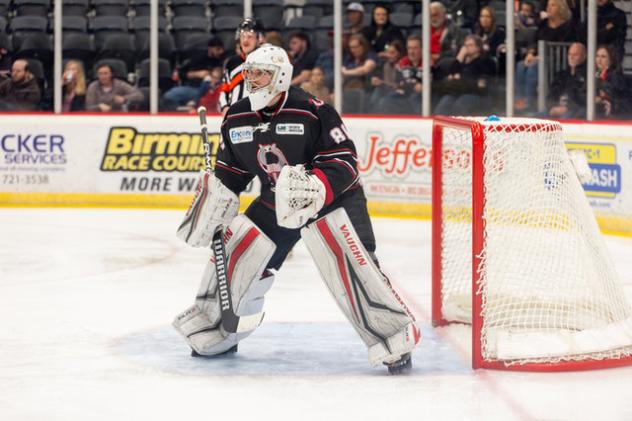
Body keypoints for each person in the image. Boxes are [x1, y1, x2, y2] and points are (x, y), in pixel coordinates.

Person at [173, 44, 420, 374]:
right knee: (238, 247)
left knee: (353, 263)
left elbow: (344, 161)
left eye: (261, 73)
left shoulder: (313, 110)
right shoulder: (237, 117)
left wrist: (316, 185)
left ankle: (393, 336)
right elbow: (232, 170)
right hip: (278, 202)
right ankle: (218, 329)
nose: (253, 79)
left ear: (281, 76)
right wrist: (216, 199)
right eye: (250, 73)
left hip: (333, 200)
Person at [515, 0, 576, 112]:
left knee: (533, 68)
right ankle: (519, 100)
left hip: (555, 60)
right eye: (548, 5)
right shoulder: (543, 24)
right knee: (520, 65)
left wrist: (541, 58)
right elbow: (534, 41)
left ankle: (529, 102)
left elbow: (562, 48)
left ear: (561, 8)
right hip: (538, 57)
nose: (548, 8)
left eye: (553, 5)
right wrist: (530, 53)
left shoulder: (568, 26)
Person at [434, 35, 497, 115]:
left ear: (478, 48)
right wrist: (460, 55)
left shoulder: (485, 61)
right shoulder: (463, 61)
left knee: (460, 104)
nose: (467, 48)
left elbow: (481, 83)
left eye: (470, 45)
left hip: (478, 94)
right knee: (445, 101)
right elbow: (452, 73)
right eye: (465, 45)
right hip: (461, 91)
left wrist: (461, 79)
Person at [163, 37, 227, 111]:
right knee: (169, 96)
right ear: (210, 49)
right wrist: (197, 74)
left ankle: (193, 103)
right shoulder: (198, 58)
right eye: (217, 49)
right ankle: (183, 109)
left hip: (211, 90)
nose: (220, 52)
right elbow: (181, 73)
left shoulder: (221, 60)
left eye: (221, 49)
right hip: (194, 88)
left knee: (207, 81)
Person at [219, 18, 265, 116]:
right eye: (242, 36)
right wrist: (224, 107)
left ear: (259, 39)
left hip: (259, 117)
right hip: (234, 116)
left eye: (250, 36)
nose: (245, 40)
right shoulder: (231, 63)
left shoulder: (266, 61)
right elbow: (224, 89)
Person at [380, 35, 423, 115]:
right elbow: (399, 83)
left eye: (415, 48)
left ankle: (420, 123)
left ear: (421, 49)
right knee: (390, 97)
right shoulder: (402, 63)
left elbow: (426, 86)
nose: (411, 52)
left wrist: (408, 85)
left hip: (421, 96)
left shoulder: (428, 63)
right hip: (405, 93)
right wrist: (412, 85)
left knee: (415, 97)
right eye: (409, 48)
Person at [546, 42, 587, 118]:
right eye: (569, 54)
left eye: (575, 55)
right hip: (555, 109)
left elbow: (583, 99)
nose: (571, 57)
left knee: (565, 119)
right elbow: (550, 95)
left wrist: (568, 108)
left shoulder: (587, 76)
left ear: (584, 57)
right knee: (536, 118)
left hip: (573, 111)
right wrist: (551, 107)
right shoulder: (561, 74)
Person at [368, 39, 406, 113]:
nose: (389, 55)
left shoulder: (402, 66)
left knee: (385, 99)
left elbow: (400, 85)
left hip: (398, 94)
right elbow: (375, 77)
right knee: (376, 92)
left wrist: (382, 83)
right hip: (386, 90)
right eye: (388, 53)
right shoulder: (383, 65)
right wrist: (374, 80)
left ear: (399, 53)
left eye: (392, 53)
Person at [594, 44, 629, 119]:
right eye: (597, 56)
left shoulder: (616, 74)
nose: (599, 59)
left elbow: (615, 94)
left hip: (614, 111)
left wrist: (602, 96)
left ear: (610, 60)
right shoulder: (595, 74)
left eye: (603, 56)